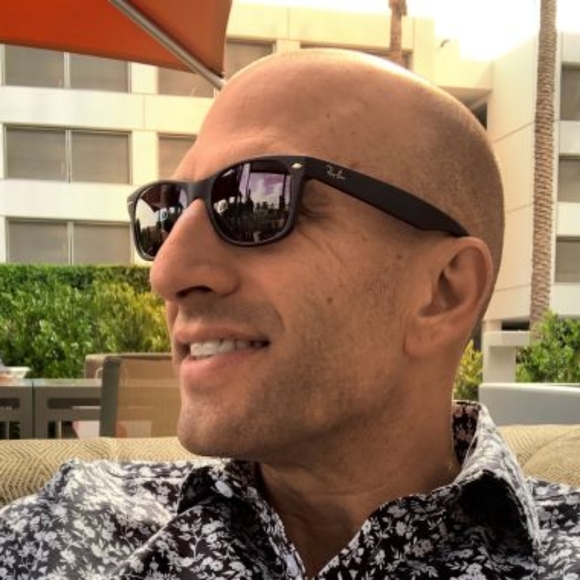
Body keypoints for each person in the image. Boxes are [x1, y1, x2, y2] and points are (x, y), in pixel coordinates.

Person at [1, 49, 579, 579]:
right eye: (167, 212)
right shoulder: (66, 530)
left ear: (443, 292)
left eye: (256, 200)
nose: (166, 273)